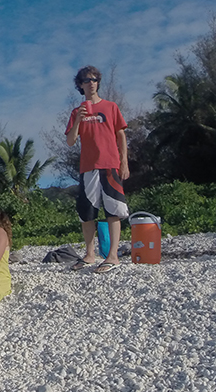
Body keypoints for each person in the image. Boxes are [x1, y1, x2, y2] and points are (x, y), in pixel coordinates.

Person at [65, 65, 129, 274]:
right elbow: (70, 141)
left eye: (94, 79)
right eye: (86, 80)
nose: (90, 83)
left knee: (113, 210)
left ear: (98, 82)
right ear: (80, 85)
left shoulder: (111, 107)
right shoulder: (76, 112)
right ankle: (90, 254)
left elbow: (121, 135)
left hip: (110, 164)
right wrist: (78, 121)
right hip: (88, 167)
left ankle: (113, 256)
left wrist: (124, 162)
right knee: (87, 213)